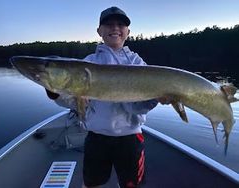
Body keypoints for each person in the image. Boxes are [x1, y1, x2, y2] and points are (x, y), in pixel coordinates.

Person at [46, 6, 160, 188]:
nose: (115, 28)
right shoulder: (88, 63)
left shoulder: (137, 63)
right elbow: (73, 102)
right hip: (96, 137)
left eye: (120, 24)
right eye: (109, 24)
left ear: (128, 32)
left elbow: (140, 107)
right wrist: (55, 91)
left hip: (130, 138)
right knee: (91, 183)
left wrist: (157, 97)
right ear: (99, 31)